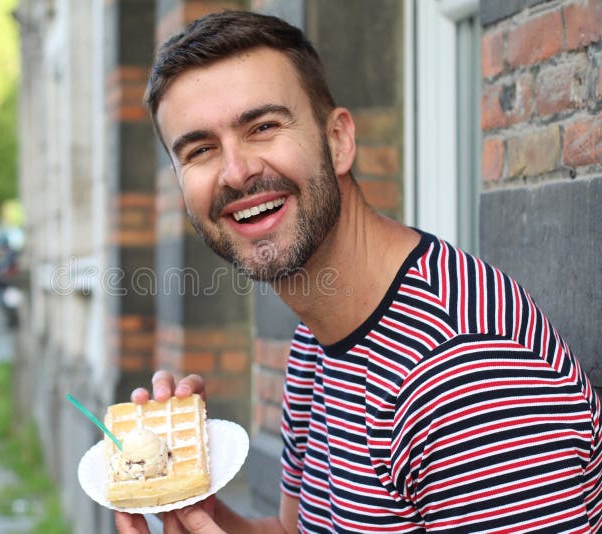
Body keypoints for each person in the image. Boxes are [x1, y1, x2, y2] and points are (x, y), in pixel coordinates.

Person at [115, 10, 602, 534]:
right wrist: (201, 513)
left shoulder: (468, 375)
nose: (236, 172)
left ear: (340, 141)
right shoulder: (317, 336)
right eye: (201, 150)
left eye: (263, 127)